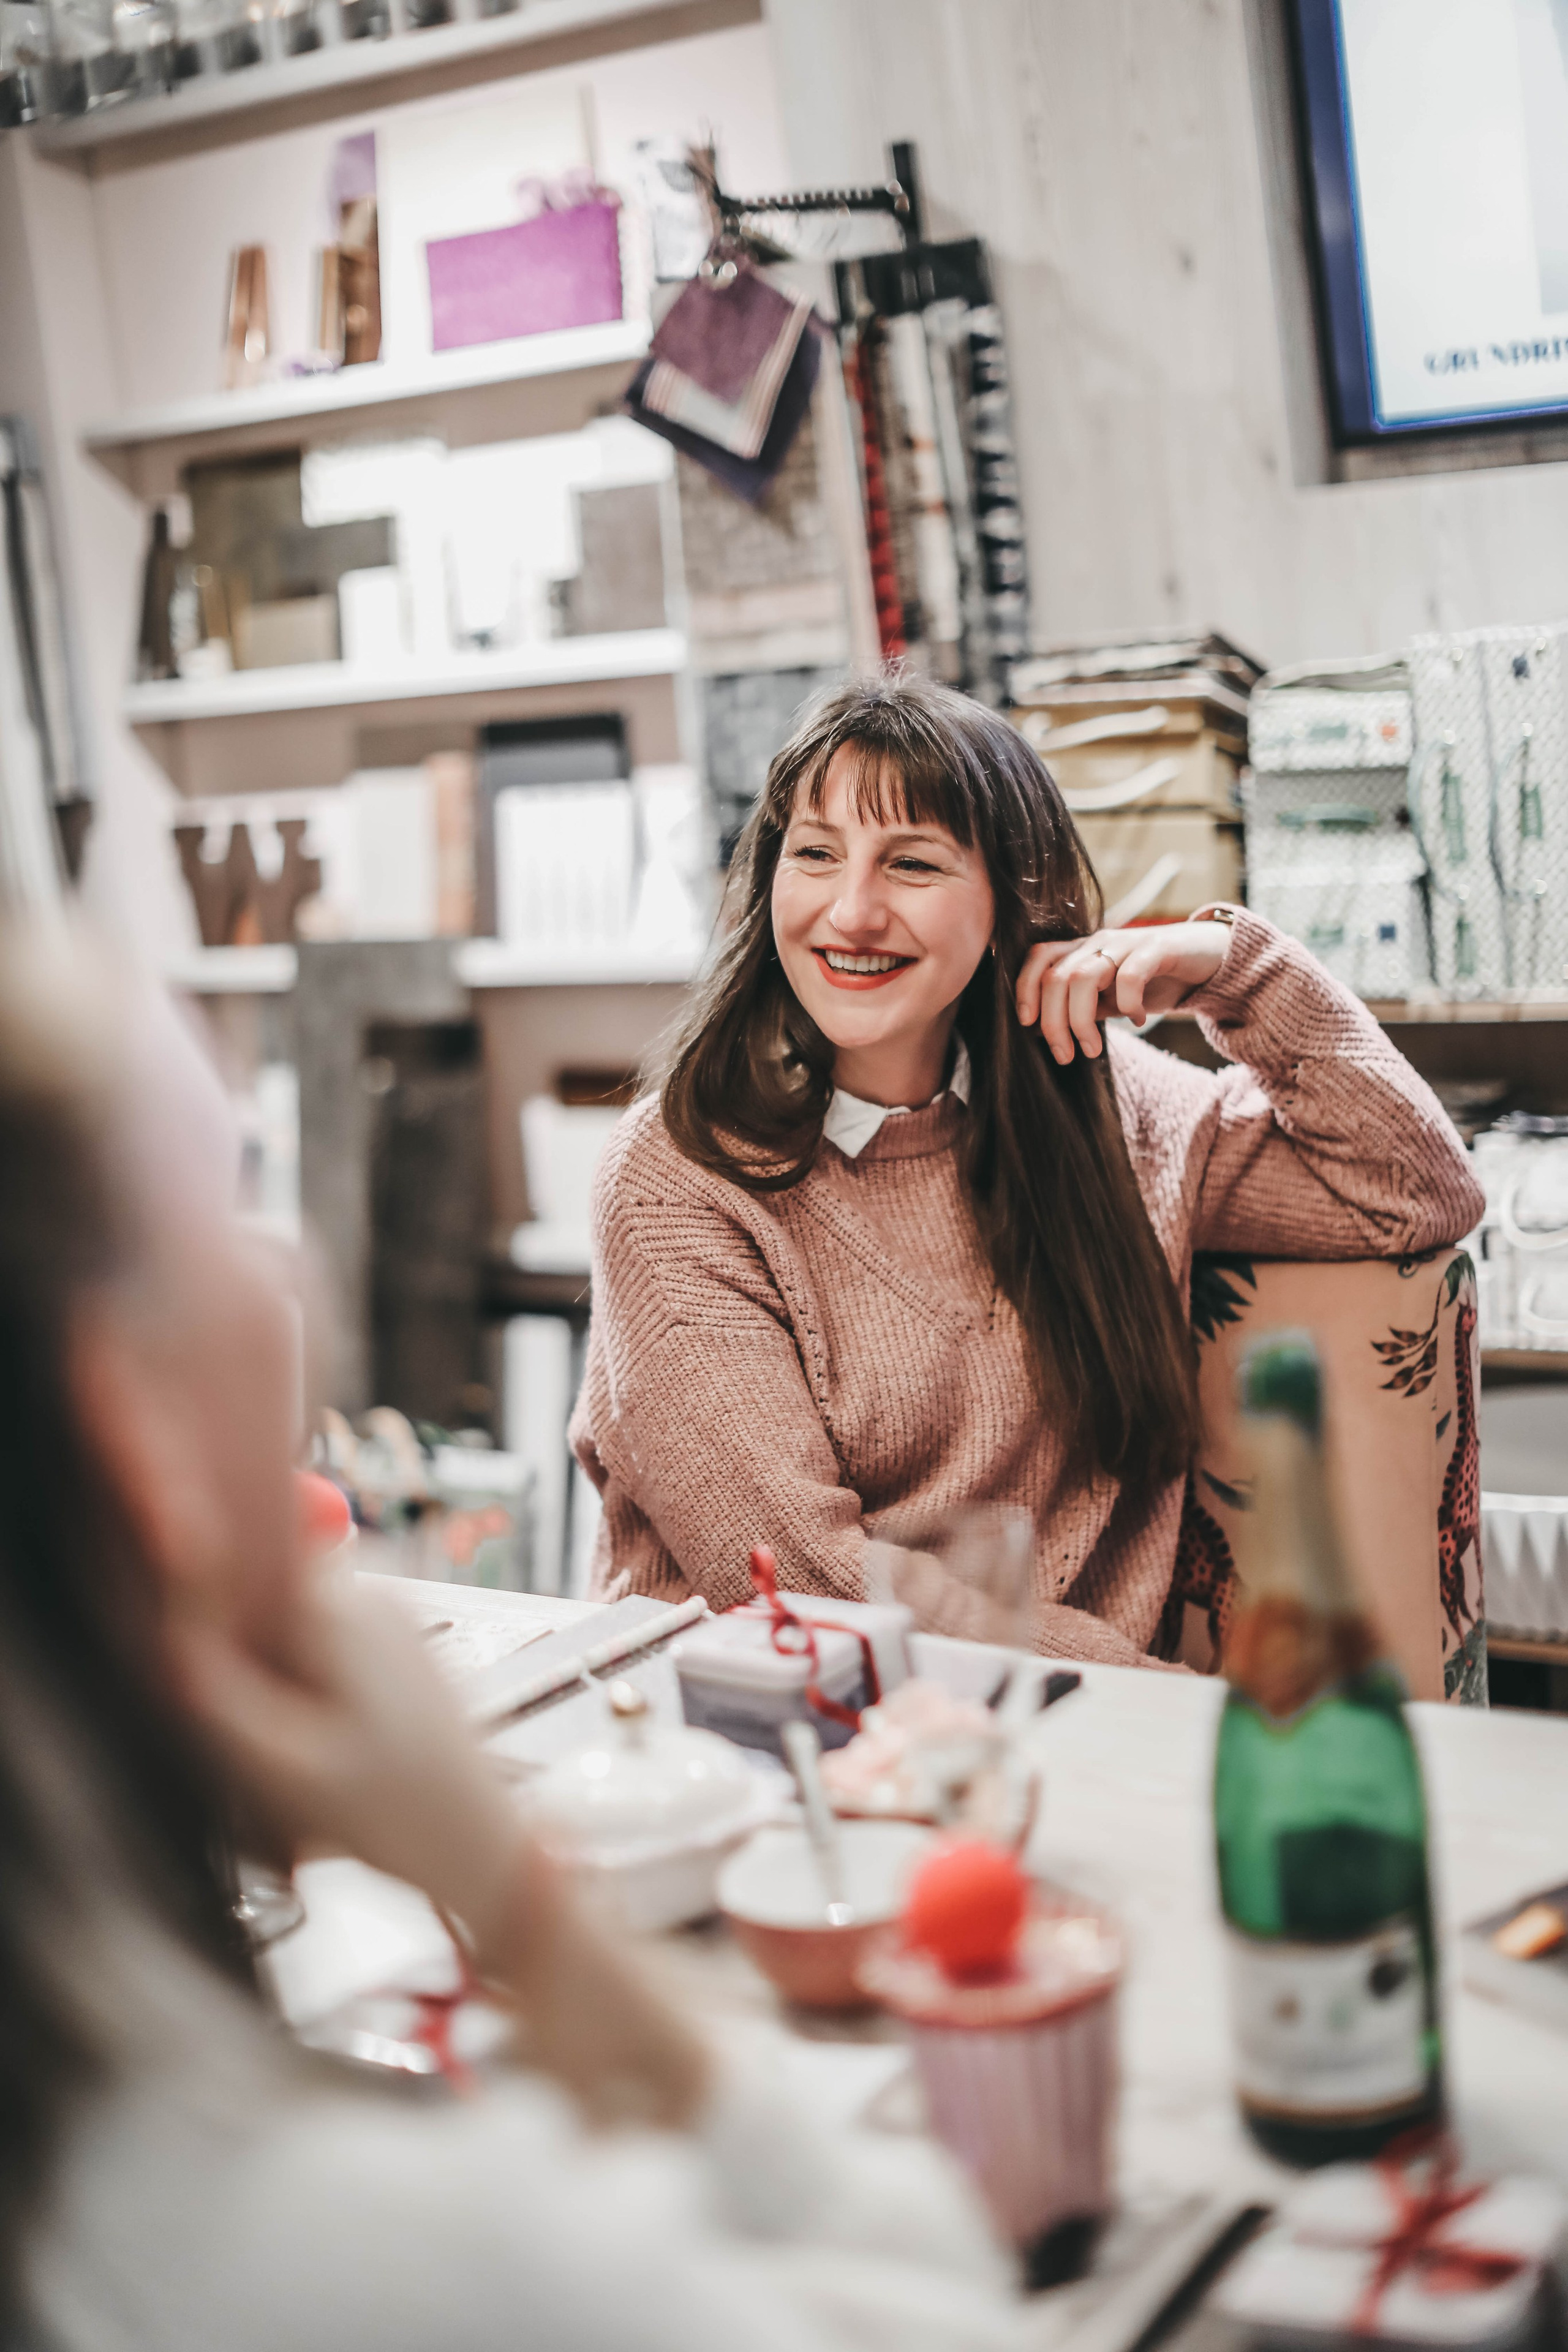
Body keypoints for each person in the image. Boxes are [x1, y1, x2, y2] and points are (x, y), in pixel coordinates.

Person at [0, 934, 1019, 2351]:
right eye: (228, 1199)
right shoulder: (387, 2263)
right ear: (136, 1439)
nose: (287, 1254)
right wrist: (512, 1894)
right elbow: (959, 2309)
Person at [571, 673, 1483, 1660]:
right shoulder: (678, 1175)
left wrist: (1236, 969)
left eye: (911, 864)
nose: (853, 911)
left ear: (1013, 901)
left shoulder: (1112, 1111)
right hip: (747, 1737)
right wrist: (1153, 1699)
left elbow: (1414, 1189)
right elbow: (804, 1578)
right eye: (817, 855)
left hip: (1043, 1736)